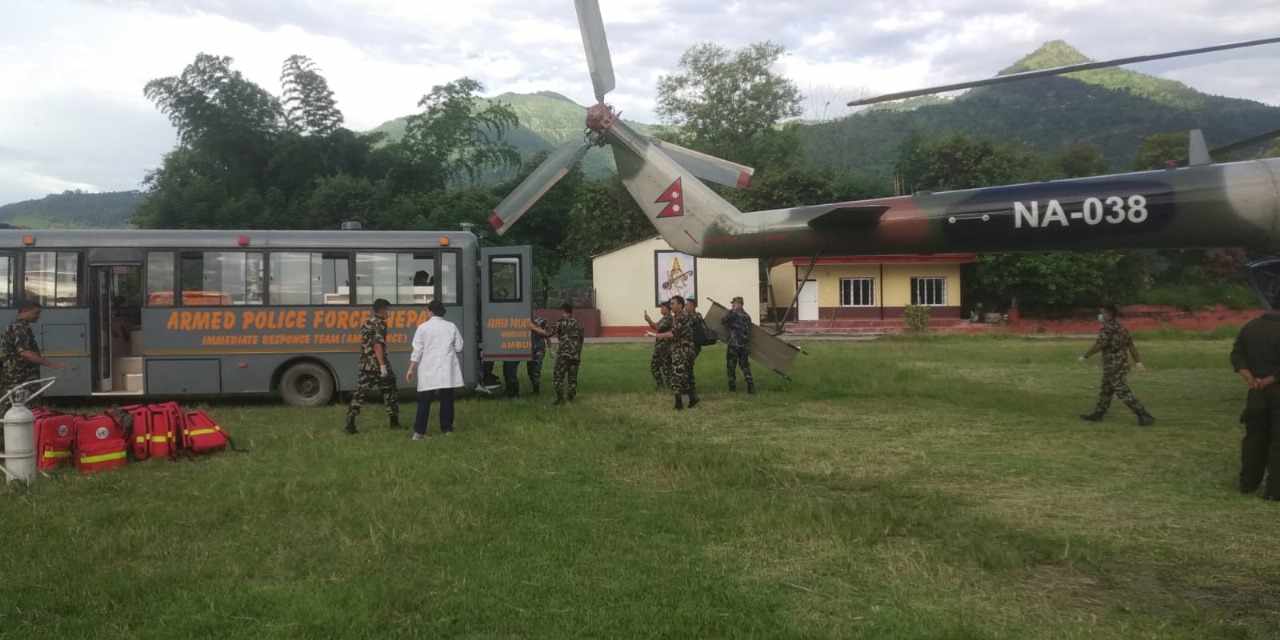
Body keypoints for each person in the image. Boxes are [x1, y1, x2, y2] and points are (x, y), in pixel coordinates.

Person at [1230, 310, 1280, 501]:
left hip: (1256, 392)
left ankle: (1248, 484)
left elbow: (1237, 354)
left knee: (1254, 439)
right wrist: (1271, 378)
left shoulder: (1250, 327)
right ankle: (1275, 490)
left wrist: (1248, 375)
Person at [1079, 304, 1154, 426]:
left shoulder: (1108, 329)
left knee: (1122, 391)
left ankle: (1144, 415)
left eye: (1102, 313)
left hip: (1113, 365)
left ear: (1109, 315)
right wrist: (1138, 362)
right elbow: (1131, 346)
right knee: (1106, 390)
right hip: (1120, 364)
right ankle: (1098, 414)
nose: (1100, 316)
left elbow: (1099, 345)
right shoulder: (1122, 328)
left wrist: (1085, 356)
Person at [406, 300, 464, 440]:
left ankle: (419, 432)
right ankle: (447, 429)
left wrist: (410, 369)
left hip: (428, 370)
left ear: (430, 311)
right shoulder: (451, 326)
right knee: (447, 400)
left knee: (424, 401)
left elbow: (417, 351)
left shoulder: (423, 328)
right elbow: (459, 347)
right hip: (446, 369)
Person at [0, 300, 64, 420]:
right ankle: (18, 433)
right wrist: (50, 364)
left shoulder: (17, 326)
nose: (38, 316)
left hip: (16, 375)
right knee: (23, 406)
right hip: (20, 376)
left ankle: (12, 432)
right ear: (25, 311)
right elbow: (25, 353)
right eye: (36, 313)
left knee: (13, 405)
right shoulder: (19, 328)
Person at [345, 298, 400, 434]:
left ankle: (350, 423)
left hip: (366, 365)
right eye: (388, 310)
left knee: (360, 394)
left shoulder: (367, 322)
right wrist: (382, 366)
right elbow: (377, 345)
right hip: (377, 365)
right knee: (390, 391)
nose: (389, 313)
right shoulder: (379, 324)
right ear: (382, 310)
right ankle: (394, 422)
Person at [649, 295, 699, 410]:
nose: (670, 306)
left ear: (680, 305)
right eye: (670, 304)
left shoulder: (682, 317)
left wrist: (656, 335)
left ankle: (679, 403)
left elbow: (673, 334)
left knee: (676, 375)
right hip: (682, 349)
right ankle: (692, 399)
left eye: (673, 304)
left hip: (683, 350)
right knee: (686, 375)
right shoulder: (677, 316)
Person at [532, 303, 584, 405]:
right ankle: (571, 398)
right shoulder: (578, 324)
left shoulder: (560, 323)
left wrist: (533, 328)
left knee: (558, 376)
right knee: (572, 378)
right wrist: (578, 353)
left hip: (564, 355)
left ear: (564, 311)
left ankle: (560, 399)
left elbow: (547, 333)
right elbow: (581, 340)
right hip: (575, 355)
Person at [721, 295, 755, 394]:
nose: (732, 305)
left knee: (731, 365)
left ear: (739, 304)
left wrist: (731, 311)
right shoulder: (747, 316)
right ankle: (750, 384)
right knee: (745, 366)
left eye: (734, 303)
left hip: (734, 345)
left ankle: (732, 386)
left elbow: (723, 321)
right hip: (744, 345)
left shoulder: (733, 314)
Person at [644, 302, 673, 390]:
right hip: (659, 347)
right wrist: (648, 320)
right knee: (654, 366)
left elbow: (658, 327)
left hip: (665, 348)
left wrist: (649, 320)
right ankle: (660, 385)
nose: (661, 309)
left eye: (662, 307)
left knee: (666, 367)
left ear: (668, 309)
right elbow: (656, 326)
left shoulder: (669, 319)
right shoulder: (664, 318)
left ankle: (669, 386)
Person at [528, 314, 549, 394]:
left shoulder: (539, 320)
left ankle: (536, 390)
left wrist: (550, 349)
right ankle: (534, 386)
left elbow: (546, 334)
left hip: (539, 349)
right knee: (530, 370)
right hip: (531, 350)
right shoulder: (526, 321)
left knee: (536, 370)